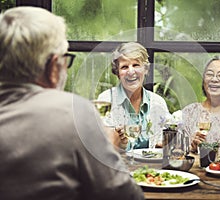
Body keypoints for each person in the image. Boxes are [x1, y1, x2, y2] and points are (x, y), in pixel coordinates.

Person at [0, 6, 144, 200]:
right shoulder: (73, 112)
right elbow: (126, 196)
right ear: (53, 66)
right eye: (65, 60)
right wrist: (108, 149)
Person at [97, 42, 170, 150]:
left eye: (136, 65)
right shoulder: (106, 100)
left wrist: (165, 142)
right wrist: (118, 143)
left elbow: (168, 138)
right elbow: (100, 145)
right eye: (124, 67)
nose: (131, 72)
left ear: (145, 69)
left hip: (151, 167)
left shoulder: (158, 102)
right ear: (117, 73)